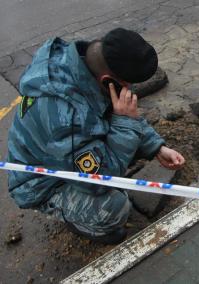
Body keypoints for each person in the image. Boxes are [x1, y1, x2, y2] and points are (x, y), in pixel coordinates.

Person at [7, 28, 185, 244]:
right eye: (129, 85)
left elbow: (113, 110)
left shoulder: (82, 66)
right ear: (109, 81)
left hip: (65, 153)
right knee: (114, 207)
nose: (131, 89)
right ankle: (84, 223)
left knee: (122, 124)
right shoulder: (66, 117)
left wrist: (156, 146)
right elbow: (98, 181)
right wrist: (127, 123)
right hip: (42, 183)